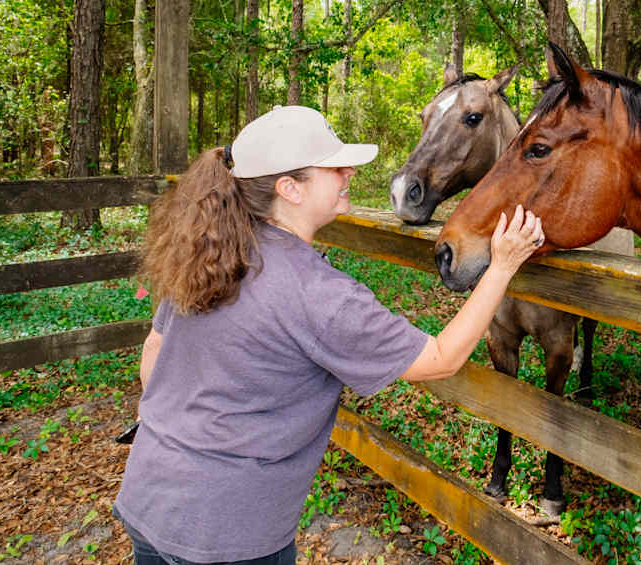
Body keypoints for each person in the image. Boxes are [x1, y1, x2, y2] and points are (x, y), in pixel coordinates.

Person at [113, 105, 544, 565]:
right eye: (333, 166)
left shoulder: (211, 250)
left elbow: (154, 347)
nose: (348, 172)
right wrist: (502, 265)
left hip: (150, 497)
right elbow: (441, 358)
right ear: (289, 188)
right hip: (229, 535)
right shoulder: (317, 294)